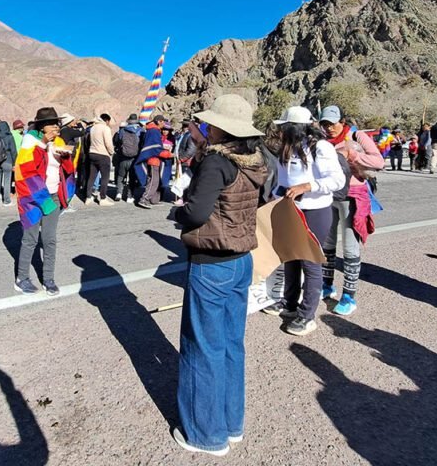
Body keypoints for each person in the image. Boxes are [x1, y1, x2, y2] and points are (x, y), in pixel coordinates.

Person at [171, 94, 267, 457]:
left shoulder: (214, 163)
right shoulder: (254, 161)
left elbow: (196, 213)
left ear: (220, 129)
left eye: (210, 125)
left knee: (202, 348)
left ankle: (204, 435)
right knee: (230, 343)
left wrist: (178, 211)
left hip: (211, 262)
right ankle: (231, 422)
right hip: (241, 258)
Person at [265, 106, 345, 335]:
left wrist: (308, 186)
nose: (279, 131)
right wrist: (275, 197)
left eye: (283, 128)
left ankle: (307, 315)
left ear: (293, 128)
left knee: (310, 263)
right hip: (290, 210)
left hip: (315, 211)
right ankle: (289, 304)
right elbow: (283, 180)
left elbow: (337, 180)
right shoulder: (286, 150)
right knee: (290, 257)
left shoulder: (321, 148)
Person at [317, 105, 383, 316]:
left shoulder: (357, 135)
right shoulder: (321, 139)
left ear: (342, 121)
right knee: (327, 244)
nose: (329, 128)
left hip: (352, 196)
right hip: (329, 196)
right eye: (325, 124)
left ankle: (349, 295)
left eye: (332, 123)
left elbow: (378, 161)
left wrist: (352, 155)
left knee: (349, 247)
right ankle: (327, 286)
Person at [14, 107, 76, 296]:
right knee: (30, 239)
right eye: (52, 124)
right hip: (32, 199)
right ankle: (21, 278)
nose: (56, 127)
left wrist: (66, 157)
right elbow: (26, 172)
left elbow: (65, 169)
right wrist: (43, 144)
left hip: (53, 196)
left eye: (57, 123)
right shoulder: (30, 143)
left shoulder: (58, 141)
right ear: (42, 127)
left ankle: (48, 278)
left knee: (49, 240)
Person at [135, 115, 166, 208]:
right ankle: (144, 199)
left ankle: (154, 199)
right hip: (153, 159)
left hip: (153, 159)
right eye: (163, 122)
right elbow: (155, 148)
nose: (164, 124)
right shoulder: (154, 131)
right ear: (159, 121)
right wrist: (168, 154)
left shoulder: (151, 130)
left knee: (154, 180)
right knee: (154, 180)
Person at [86, 113, 115, 205]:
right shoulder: (105, 128)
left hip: (92, 153)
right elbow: (108, 143)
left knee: (92, 176)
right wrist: (111, 152)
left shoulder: (93, 128)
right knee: (105, 177)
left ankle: (88, 197)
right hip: (103, 154)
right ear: (106, 121)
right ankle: (102, 198)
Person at [113, 113, 142, 202]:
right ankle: (129, 196)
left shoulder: (122, 131)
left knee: (121, 176)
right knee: (132, 177)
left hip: (123, 157)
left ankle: (118, 193)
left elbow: (116, 142)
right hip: (135, 158)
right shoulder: (141, 131)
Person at [0, 120, 18, 206]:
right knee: (7, 181)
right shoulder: (9, 137)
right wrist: (15, 163)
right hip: (7, 161)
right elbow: (13, 151)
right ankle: (6, 201)